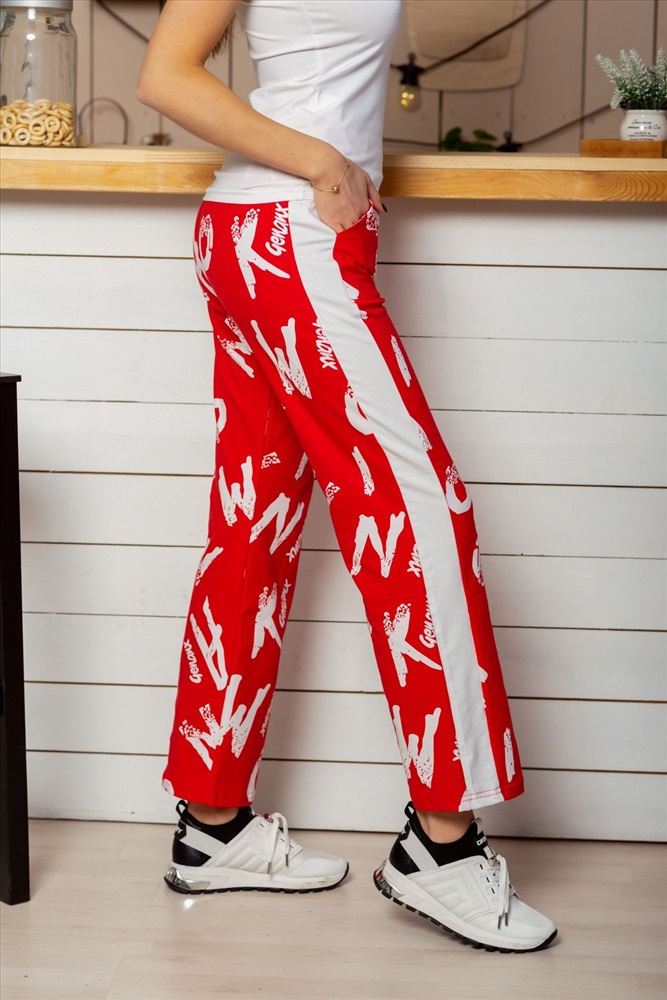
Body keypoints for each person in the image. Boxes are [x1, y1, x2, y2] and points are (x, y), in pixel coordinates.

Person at [137, 0, 556, 953]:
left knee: (254, 527)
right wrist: (324, 163)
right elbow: (165, 74)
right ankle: (441, 847)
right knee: (421, 514)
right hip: (290, 233)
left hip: (259, 238)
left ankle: (212, 823)